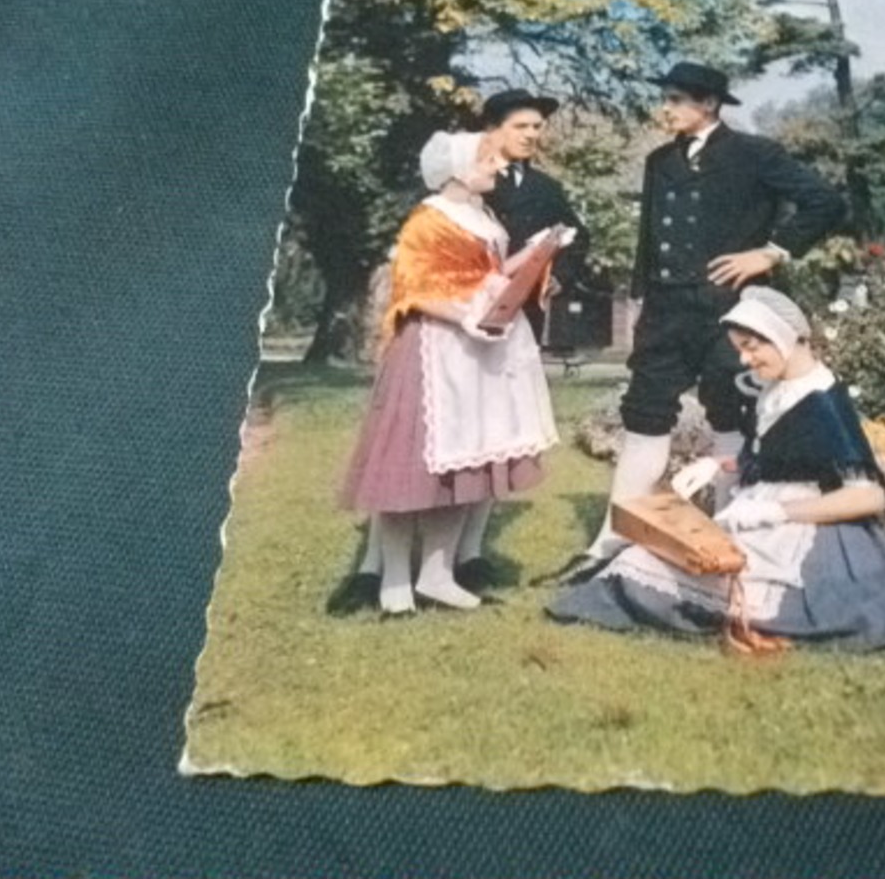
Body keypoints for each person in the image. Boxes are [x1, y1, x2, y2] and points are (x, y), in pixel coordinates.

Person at [552, 61, 847, 582]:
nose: (664, 108)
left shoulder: (754, 154)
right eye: (664, 97)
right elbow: (650, 236)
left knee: (729, 416)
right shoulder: (658, 161)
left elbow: (825, 201)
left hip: (730, 315)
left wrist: (770, 253)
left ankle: (732, 541)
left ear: (708, 104)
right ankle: (612, 541)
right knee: (644, 416)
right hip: (665, 314)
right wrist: (644, 295)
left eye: (674, 99)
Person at [547, 286, 885, 650]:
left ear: (788, 339)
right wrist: (717, 464)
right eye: (740, 347)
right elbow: (782, 454)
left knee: (648, 571)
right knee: (641, 561)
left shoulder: (822, 401)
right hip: (762, 511)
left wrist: (776, 511)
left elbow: (868, 495)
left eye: (753, 346)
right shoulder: (777, 387)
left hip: (811, 533)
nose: (744, 358)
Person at [337, 130, 563, 615]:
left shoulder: (484, 216)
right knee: (409, 467)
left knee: (468, 464)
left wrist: (537, 256)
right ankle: (394, 583)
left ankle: (437, 576)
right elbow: (411, 288)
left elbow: (490, 276)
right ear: (459, 169)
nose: (498, 168)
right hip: (434, 349)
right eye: (487, 159)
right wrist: (463, 315)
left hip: (480, 351)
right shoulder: (428, 219)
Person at [480, 88, 591, 340]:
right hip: (469, 306)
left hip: (525, 311)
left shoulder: (546, 188)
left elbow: (577, 237)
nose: (531, 135)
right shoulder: (469, 178)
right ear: (492, 129)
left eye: (536, 127)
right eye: (520, 126)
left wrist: (558, 277)